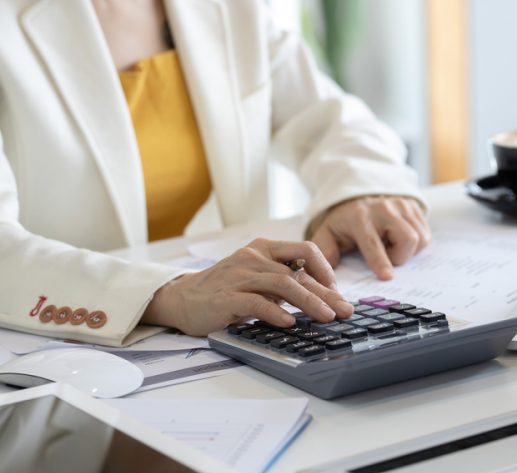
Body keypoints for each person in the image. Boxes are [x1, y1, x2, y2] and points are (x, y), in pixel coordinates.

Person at [0, 0, 430, 347]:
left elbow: (330, 118)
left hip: (219, 348)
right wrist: (168, 293)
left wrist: (360, 190)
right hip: (56, 361)